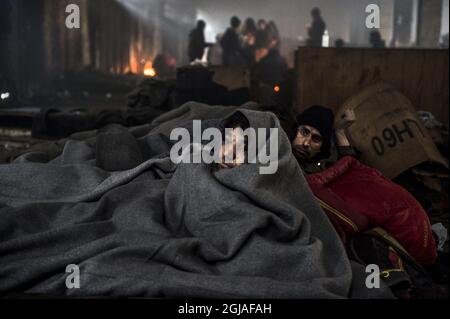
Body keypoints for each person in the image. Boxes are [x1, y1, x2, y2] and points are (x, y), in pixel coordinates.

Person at [292, 105, 356, 174]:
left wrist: (340, 132)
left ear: (321, 148)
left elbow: (352, 173)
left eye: (316, 139)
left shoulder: (323, 167)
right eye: (304, 132)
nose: (306, 143)